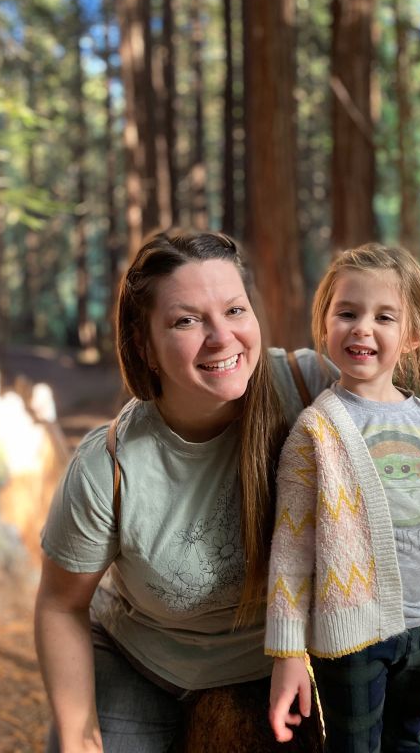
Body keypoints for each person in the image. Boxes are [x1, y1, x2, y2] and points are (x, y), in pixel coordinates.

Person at [34, 230, 335, 753]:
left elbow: (418, 444)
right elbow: (60, 605)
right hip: (139, 664)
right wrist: (79, 731)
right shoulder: (106, 465)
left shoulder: (310, 390)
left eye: (235, 310)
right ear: (145, 347)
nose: (222, 338)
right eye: (186, 321)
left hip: (265, 671)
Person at [266, 243, 420, 753]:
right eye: (347, 313)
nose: (362, 328)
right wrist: (288, 652)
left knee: (411, 742)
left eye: (384, 317)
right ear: (324, 323)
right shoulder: (318, 430)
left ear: (412, 335)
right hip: (349, 640)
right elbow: (290, 547)